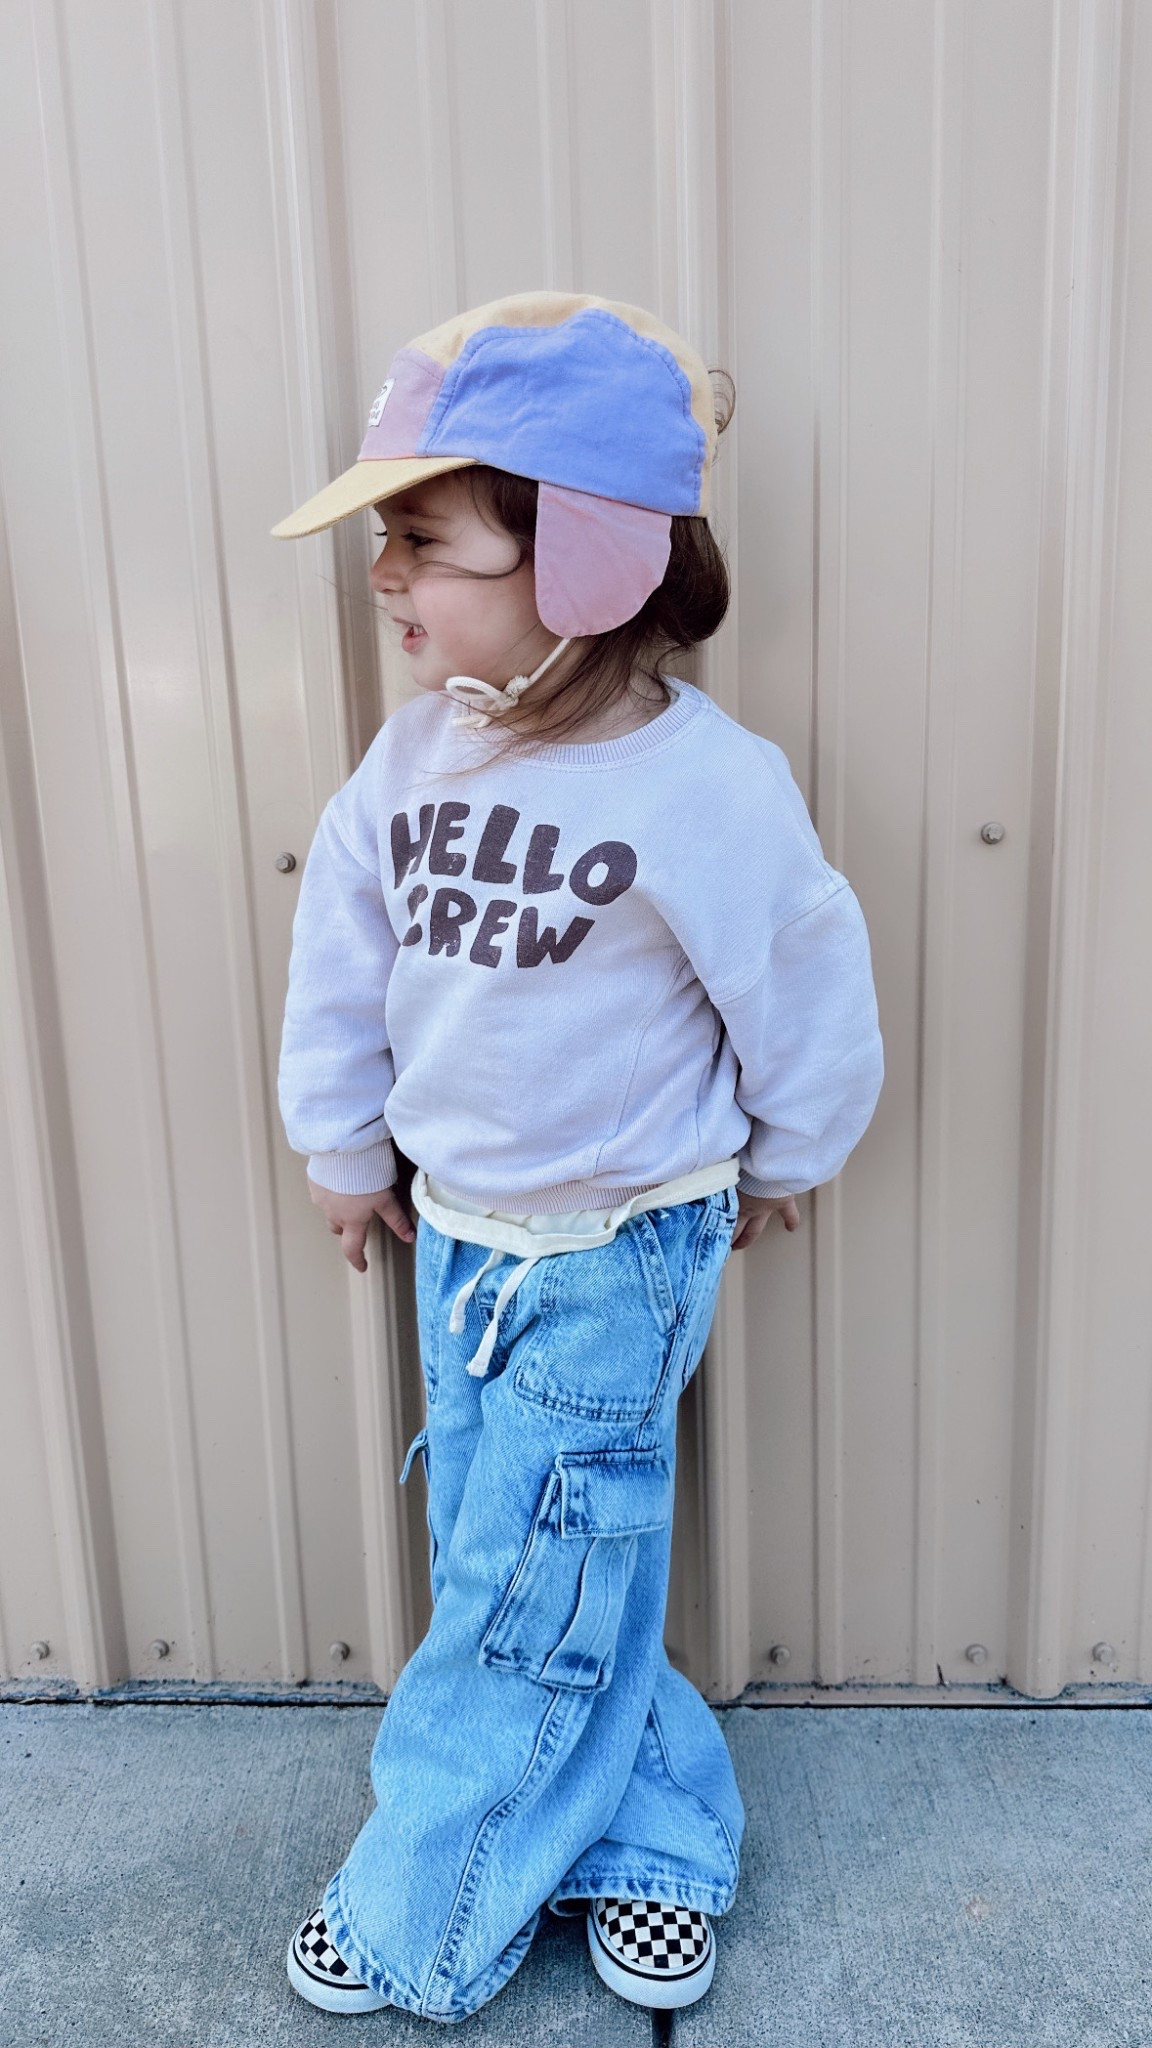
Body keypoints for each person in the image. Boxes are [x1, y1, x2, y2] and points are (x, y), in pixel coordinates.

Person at [273, 290, 884, 2023]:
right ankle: (659, 1840)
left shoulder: (706, 787)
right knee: (558, 1561)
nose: (385, 576)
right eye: (385, 540)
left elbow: (803, 985)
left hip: (621, 1249)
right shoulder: (410, 760)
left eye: (426, 542)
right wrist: (343, 1144)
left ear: (587, 563)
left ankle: (426, 1906)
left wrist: (787, 1156)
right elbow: (340, 962)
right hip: (463, 1238)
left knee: (519, 1586)